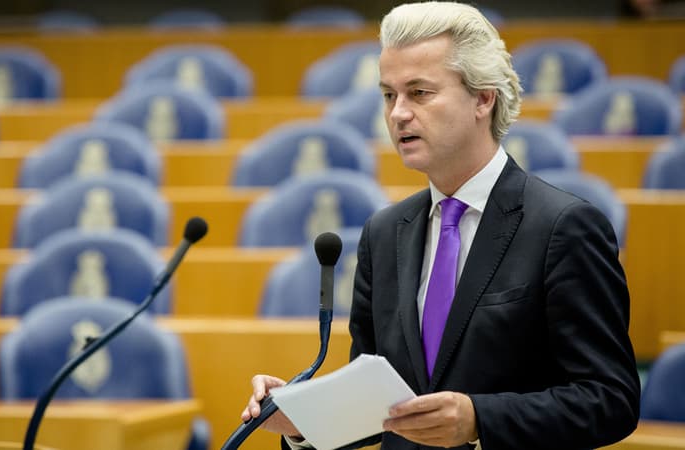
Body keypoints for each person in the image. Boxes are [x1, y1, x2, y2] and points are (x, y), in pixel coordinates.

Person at [240, 2, 641, 449]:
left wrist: (479, 420)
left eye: (420, 93)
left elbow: (611, 399)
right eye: (389, 95)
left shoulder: (563, 227)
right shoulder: (384, 233)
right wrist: (303, 419)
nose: (397, 114)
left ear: (483, 98)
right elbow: (376, 409)